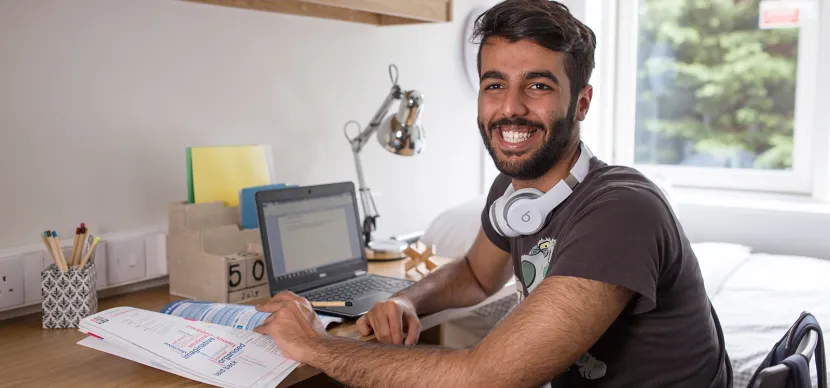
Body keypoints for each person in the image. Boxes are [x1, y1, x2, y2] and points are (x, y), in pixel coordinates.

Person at [253, 0, 731, 386]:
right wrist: (408, 301)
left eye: (538, 86)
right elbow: (477, 277)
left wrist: (315, 346)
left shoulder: (621, 212)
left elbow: (486, 375)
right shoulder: (515, 189)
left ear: (581, 102)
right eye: (494, 84)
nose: (510, 108)